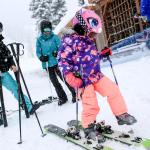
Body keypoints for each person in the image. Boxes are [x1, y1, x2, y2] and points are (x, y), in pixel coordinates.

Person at [57, 8, 137, 141]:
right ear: (82, 27)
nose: (93, 37)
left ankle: (121, 114)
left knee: (113, 90)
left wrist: (101, 54)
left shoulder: (87, 40)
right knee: (90, 102)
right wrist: (69, 75)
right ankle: (88, 127)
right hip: (82, 79)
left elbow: (90, 58)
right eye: (92, 33)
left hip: (95, 74)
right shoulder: (68, 42)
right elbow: (62, 60)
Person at [0, 22, 40, 119]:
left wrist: (12, 64)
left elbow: (8, 55)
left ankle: (28, 107)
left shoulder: (0, 42)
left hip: (3, 73)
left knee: (15, 88)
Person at [36, 20, 76, 106]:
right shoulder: (39, 40)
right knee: (54, 82)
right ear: (42, 30)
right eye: (45, 30)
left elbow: (61, 47)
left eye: (49, 30)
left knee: (65, 78)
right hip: (48, 64)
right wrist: (41, 57)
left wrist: (57, 52)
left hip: (57, 62)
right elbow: (38, 51)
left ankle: (74, 93)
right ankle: (62, 97)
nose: (47, 32)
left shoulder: (54, 37)